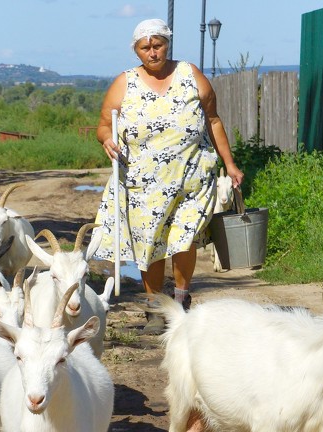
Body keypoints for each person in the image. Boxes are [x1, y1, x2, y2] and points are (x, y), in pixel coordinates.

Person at [92, 18, 244, 314]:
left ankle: (181, 299)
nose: (152, 52)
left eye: (157, 45)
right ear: (136, 50)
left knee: (183, 238)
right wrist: (107, 140)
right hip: (141, 183)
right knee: (150, 241)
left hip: (191, 176)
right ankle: (154, 306)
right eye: (145, 47)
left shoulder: (190, 74)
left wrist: (230, 164)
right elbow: (102, 126)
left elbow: (212, 120)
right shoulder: (125, 82)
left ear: (167, 44)